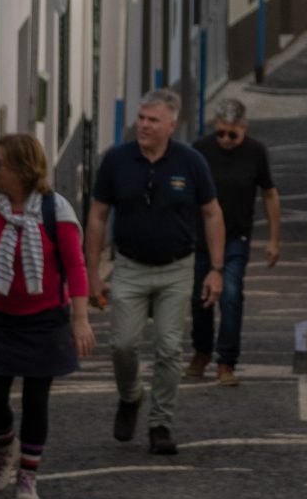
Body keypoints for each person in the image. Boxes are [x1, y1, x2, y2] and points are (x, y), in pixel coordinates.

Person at [0, 132, 93, 499]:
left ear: (21, 168)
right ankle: (4, 444)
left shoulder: (56, 211)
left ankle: (28, 476)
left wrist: (79, 320)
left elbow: (75, 267)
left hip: (44, 319)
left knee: (36, 400)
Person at [87, 89, 222, 458]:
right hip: (128, 268)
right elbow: (98, 215)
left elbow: (212, 213)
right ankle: (130, 396)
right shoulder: (117, 160)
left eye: (152, 120)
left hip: (177, 269)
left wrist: (215, 269)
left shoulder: (190, 162)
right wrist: (93, 272)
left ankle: (160, 424)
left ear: (170, 124)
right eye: (141, 118)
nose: (143, 125)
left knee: (168, 348)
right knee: (122, 345)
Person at [188, 97, 281, 384]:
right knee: (200, 298)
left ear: (245, 128)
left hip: (236, 236)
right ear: (214, 127)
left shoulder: (255, 152)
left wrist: (274, 239)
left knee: (230, 294)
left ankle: (226, 361)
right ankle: (201, 351)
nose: (226, 140)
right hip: (202, 236)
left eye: (233, 134)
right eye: (221, 133)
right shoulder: (200, 151)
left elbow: (269, 194)